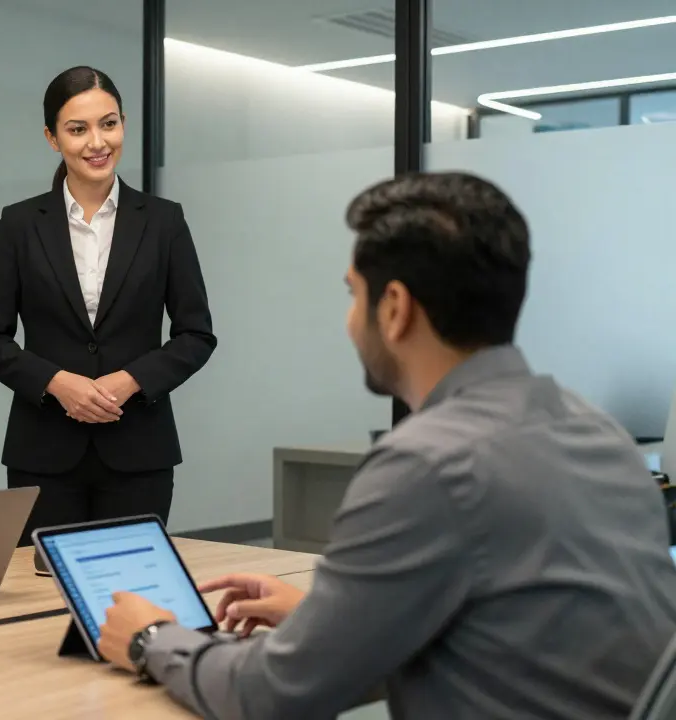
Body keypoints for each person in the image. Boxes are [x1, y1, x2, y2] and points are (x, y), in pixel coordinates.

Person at [95, 172, 676, 718]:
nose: (350, 320)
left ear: (394, 309)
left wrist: (151, 638)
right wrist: (323, 623)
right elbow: (520, 636)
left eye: (354, 295)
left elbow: (269, 697)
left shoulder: (426, 464)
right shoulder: (598, 434)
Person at [0, 66, 216, 554]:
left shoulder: (164, 221)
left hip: (139, 450)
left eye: (108, 124)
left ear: (123, 123)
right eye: (77, 129)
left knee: (130, 595)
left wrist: (131, 381)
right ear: (52, 138)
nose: (97, 142)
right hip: (43, 452)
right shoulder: (19, 223)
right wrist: (58, 383)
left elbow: (196, 335)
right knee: (43, 600)